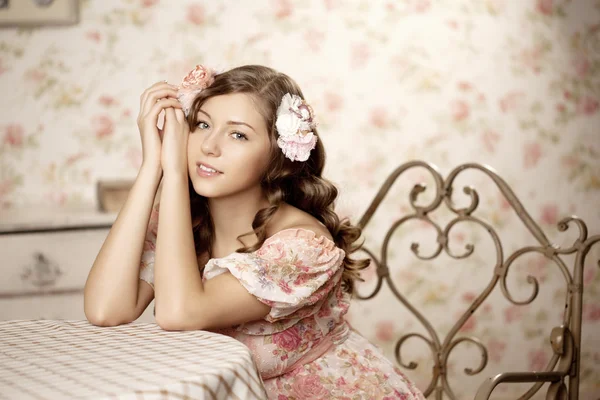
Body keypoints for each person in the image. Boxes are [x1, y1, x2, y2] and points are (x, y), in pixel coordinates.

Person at [84, 64, 425, 399]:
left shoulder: (303, 246)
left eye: (238, 134)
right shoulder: (183, 220)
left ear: (276, 156)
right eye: (202, 124)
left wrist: (174, 172)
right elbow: (106, 310)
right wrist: (151, 168)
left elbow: (180, 313)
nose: (209, 146)